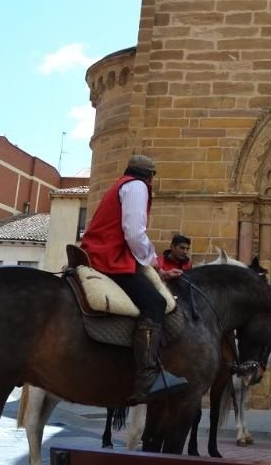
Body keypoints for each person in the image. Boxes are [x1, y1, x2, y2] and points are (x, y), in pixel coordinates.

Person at [79, 154, 187, 404]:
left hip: (100, 254)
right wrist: (154, 261)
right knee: (155, 304)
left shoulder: (119, 184)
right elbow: (134, 232)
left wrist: (159, 272)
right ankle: (148, 377)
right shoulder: (137, 187)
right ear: (150, 177)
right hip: (110, 258)